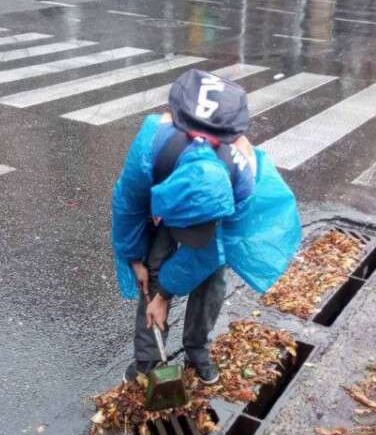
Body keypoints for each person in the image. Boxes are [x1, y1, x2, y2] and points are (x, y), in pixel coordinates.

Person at [111, 68, 302, 384]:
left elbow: (206, 253)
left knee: (211, 278)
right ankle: (147, 359)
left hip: (220, 214)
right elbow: (127, 208)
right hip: (172, 191)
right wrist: (133, 258)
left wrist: (165, 296)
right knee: (153, 264)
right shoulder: (151, 149)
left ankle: (197, 348)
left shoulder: (241, 182)